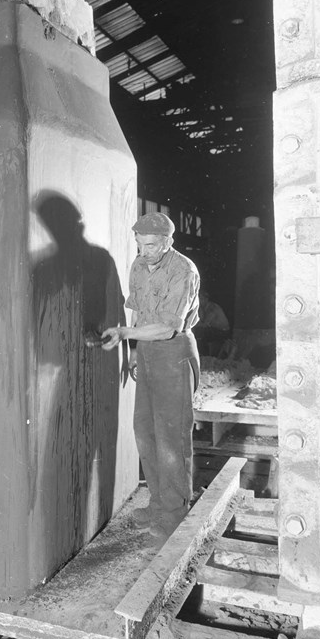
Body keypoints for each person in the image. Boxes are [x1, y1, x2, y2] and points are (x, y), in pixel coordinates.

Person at [102, 212, 200, 541]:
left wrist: (126, 332)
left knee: (172, 440)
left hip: (173, 353)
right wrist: (132, 350)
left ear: (169, 242)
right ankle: (158, 504)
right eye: (141, 245)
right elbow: (139, 311)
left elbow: (169, 326)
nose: (147, 251)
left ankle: (173, 515)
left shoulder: (182, 270)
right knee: (145, 432)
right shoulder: (138, 266)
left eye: (154, 245)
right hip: (145, 352)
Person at [195, 289, 230, 356]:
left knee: (201, 332)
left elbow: (205, 324)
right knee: (200, 331)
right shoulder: (203, 308)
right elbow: (201, 320)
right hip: (215, 330)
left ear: (206, 299)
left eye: (201, 298)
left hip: (223, 332)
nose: (199, 301)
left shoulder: (212, 308)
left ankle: (205, 354)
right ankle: (203, 353)